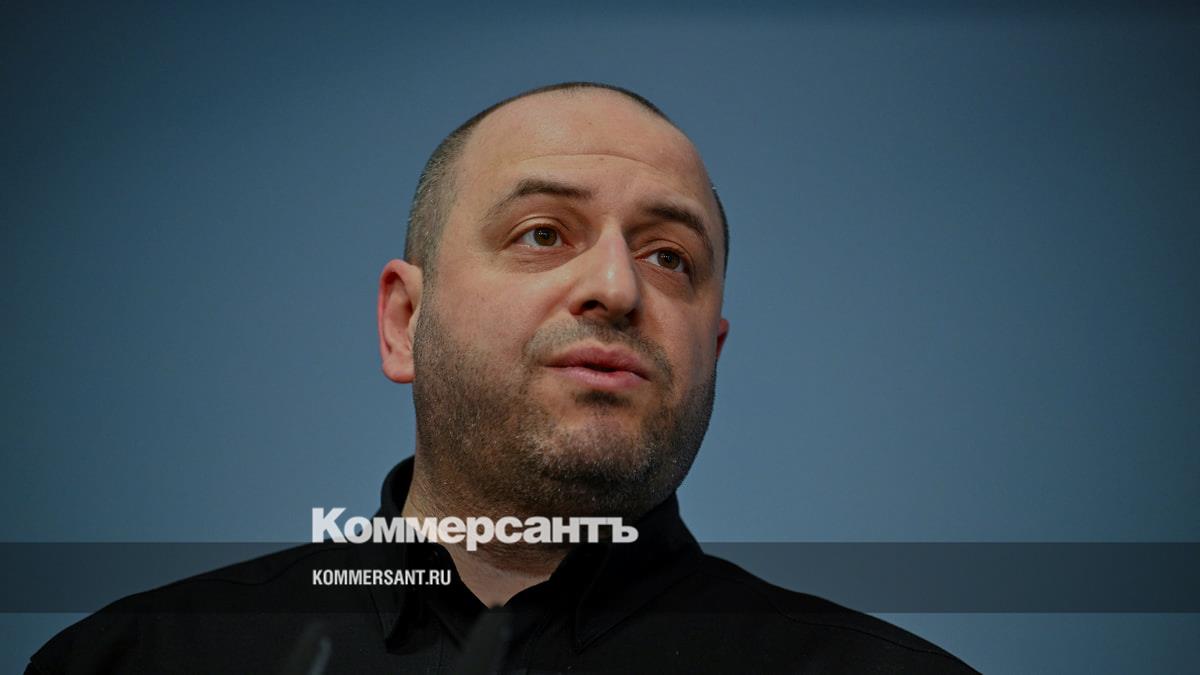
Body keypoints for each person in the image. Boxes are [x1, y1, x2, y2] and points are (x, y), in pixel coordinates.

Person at [28, 82, 977, 673]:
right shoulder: (131, 660)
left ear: (712, 352)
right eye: (542, 234)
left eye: (670, 257)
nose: (617, 287)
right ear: (404, 322)